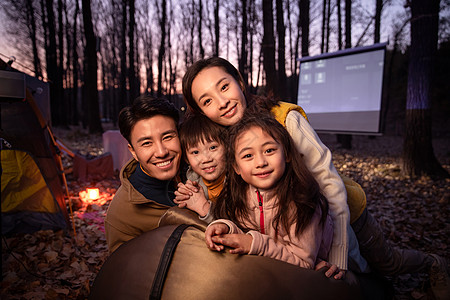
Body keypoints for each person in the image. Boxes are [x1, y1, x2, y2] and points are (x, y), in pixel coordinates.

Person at [181, 56, 449, 297]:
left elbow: (328, 182)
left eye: (224, 87)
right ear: (200, 111)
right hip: (295, 230)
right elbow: (209, 168)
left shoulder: (285, 118)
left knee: (385, 262)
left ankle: (433, 262)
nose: (222, 102)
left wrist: (337, 255)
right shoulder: (223, 137)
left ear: (239, 81)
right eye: (207, 100)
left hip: (341, 211)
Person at [204, 113, 333, 269]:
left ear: (286, 154)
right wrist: (226, 228)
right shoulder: (241, 196)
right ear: (236, 167)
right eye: (248, 155)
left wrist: (255, 243)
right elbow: (246, 237)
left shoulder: (303, 201)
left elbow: (304, 265)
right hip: (269, 271)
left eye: (269, 150)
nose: (260, 162)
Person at [104, 96, 183, 253]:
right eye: (147, 143)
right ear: (133, 151)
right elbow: (126, 272)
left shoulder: (203, 168)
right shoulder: (121, 216)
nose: (161, 152)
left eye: (168, 137)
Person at [174, 114, 227, 221]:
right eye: (195, 152)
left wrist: (203, 207)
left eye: (213, 148)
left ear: (227, 147)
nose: (206, 159)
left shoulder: (241, 182)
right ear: (187, 159)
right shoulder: (192, 183)